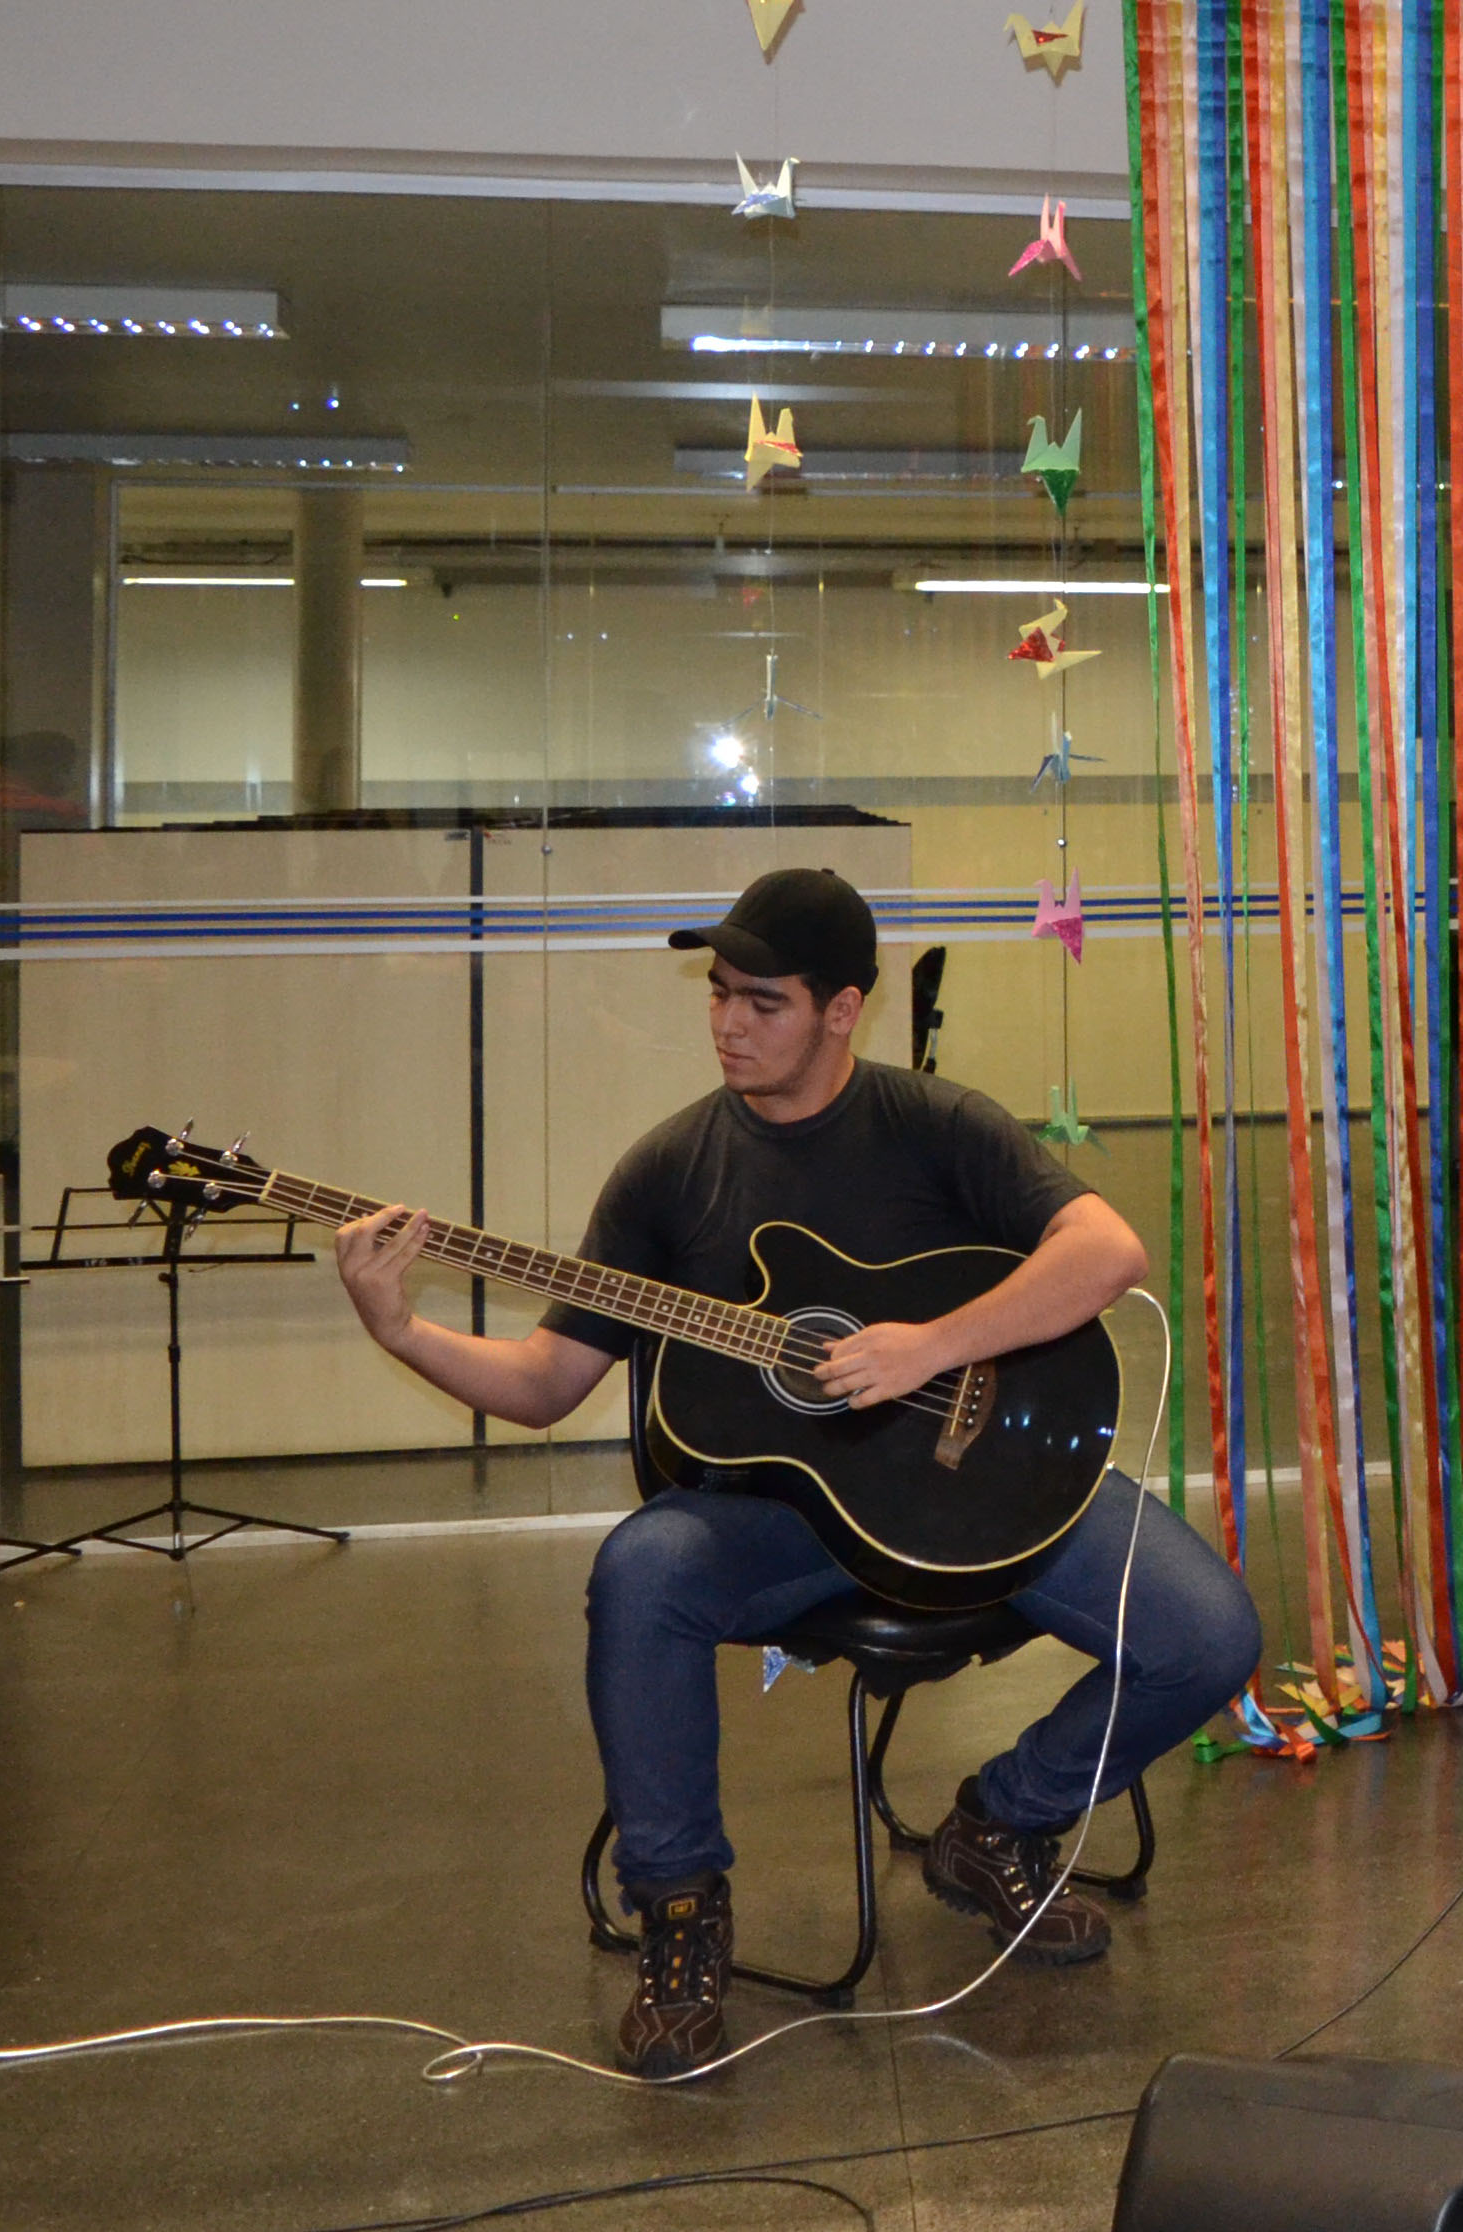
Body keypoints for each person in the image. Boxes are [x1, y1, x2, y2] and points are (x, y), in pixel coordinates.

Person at [324, 865, 1261, 2079]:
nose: (726, 1023)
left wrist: (929, 1345)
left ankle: (1001, 1822)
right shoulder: (671, 1171)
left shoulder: (932, 1125)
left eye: (761, 1001)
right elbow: (550, 1381)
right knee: (643, 1568)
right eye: (717, 995)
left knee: (1211, 1636)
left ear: (842, 1008)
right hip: (790, 1521)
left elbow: (1107, 1249)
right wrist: (402, 1330)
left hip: (990, 1484)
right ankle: (678, 1912)